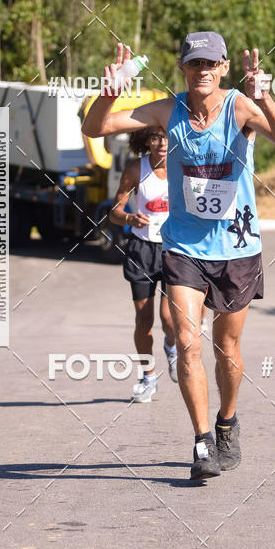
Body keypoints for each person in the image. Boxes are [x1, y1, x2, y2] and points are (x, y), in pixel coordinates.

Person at [82, 33, 275, 480]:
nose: (202, 70)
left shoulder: (240, 106)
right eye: (193, 63)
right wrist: (109, 94)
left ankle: (227, 422)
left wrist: (264, 97)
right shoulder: (168, 109)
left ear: (223, 68)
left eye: (210, 63)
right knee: (187, 340)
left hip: (238, 248)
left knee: (228, 349)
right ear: (182, 68)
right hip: (183, 246)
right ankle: (202, 441)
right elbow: (97, 128)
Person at [109, 126, 177, 401]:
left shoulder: (182, 167)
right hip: (141, 250)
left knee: (170, 319)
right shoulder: (136, 169)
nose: (162, 143)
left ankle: (171, 346)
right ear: (146, 141)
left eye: (167, 137)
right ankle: (148, 378)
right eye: (156, 138)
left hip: (174, 249)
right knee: (144, 320)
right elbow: (115, 211)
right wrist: (129, 219)